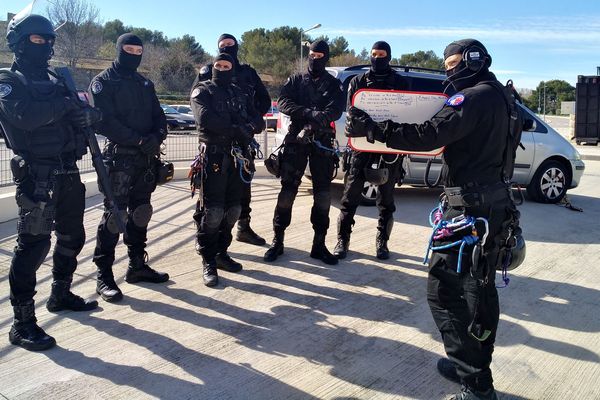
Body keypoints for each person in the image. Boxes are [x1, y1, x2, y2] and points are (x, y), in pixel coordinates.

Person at [347, 39, 520, 400]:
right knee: (480, 292)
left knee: (443, 293)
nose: (449, 71)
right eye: (446, 65)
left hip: (471, 211)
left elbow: (428, 135)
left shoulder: (470, 98)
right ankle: (472, 366)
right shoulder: (502, 96)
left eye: (454, 63)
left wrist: (374, 129)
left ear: (475, 60)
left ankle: (476, 384)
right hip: (494, 206)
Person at [0, 14, 99, 351]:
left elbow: (75, 117)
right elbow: (24, 117)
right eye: (37, 40)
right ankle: (22, 322)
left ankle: (60, 292)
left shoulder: (58, 79)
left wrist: (87, 115)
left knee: (74, 236)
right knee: (34, 246)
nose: (45, 45)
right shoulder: (8, 80)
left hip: (68, 171)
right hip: (37, 176)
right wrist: (66, 107)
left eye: (48, 40)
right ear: (19, 42)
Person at [89, 33, 169, 303]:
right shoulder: (103, 82)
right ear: (119, 50)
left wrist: (156, 138)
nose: (134, 53)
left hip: (146, 159)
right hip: (120, 159)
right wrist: (138, 140)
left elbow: (159, 116)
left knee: (141, 213)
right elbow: (104, 122)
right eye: (128, 48)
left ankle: (137, 265)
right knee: (115, 217)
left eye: (138, 50)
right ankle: (104, 275)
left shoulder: (144, 83)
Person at [263, 40, 344, 265]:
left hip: (322, 144)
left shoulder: (333, 84)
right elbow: (283, 103)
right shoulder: (296, 80)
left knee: (323, 195)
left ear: (326, 58)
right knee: (287, 192)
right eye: (312, 55)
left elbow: (336, 109)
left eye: (319, 56)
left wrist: (320, 119)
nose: (314, 59)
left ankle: (319, 245)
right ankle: (277, 241)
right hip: (296, 141)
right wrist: (308, 112)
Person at [191, 53, 264, 287]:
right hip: (213, 156)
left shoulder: (239, 92)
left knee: (233, 210)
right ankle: (208, 260)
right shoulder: (202, 91)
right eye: (218, 65)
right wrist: (237, 129)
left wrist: (250, 126)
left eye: (226, 66)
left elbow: (257, 118)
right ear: (213, 67)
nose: (222, 68)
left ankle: (222, 252)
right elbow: (206, 120)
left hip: (238, 158)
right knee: (212, 212)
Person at [193, 33, 271, 246]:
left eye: (231, 44)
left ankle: (243, 227)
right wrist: (229, 127)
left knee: (242, 188)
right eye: (223, 45)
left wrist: (251, 122)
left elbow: (263, 100)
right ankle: (204, 236)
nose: (227, 48)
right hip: (216, 141)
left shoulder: (247, 72)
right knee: (211, 196)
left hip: (242, 141)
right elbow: (199, 106)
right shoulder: (208, 71)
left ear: (237, 46)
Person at [334, 41, 407, 260]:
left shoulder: (400, 82)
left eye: (381, 54)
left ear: (389, 56)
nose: (377, 57)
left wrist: (386, 130)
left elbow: (405, 111)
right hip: (361, 146)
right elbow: (352, 111)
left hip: (389, 148)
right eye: (374, 54)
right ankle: (342, 240)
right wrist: (370, 126)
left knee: (386, 200)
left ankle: (382, 243)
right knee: (349, 197)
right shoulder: (358, 81)